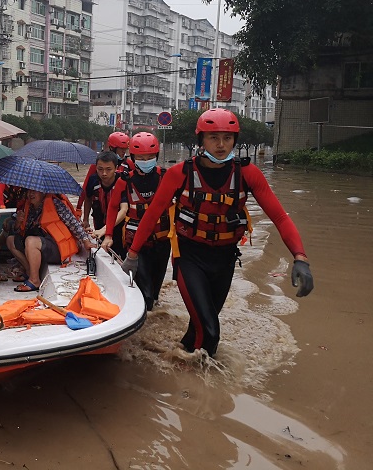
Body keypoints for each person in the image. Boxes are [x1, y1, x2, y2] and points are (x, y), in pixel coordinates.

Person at [121, 109, 314, 356]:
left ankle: (177, 361)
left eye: (227, 138)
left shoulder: (248, 174)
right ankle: (204, 380)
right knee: (210, 332)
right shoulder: (179, 173)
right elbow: (151, 215)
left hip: (225, 260)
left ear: (235, 140)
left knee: (199, 327)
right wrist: (133, 254)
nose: (221, 145)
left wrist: (300, 257)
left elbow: (279, 217)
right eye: (214, 137)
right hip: (189, 258)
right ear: (201, 140)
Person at [105, 132, 172, 311]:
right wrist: (109, 234)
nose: (146, 161)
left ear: (156, 156)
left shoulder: (165, 176)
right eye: (141, 158)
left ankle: (152, 315)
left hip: (162, 242)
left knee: (155, 294)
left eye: (150, 157)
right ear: (133, 158)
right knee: (146, 295)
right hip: (136, 244)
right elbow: (113, 207)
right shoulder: (125, 180)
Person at [7, 189, 100, 292]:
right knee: (11, 240)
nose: (30, 194)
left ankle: (34, 280)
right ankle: (29, 271)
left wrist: (86, 241)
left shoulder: (56, 204)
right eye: (29, 191)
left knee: (31, 241)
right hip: (41, 244)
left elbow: (73, 223)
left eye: (34, 191)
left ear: (43, 192)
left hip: (57, 248)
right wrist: (18, 223)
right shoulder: (30, 207)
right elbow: (21, 232)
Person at [76, 131, 133, 218]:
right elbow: (86, 188)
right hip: (100, 210)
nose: (123, 151)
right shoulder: (98, 164)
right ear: (112, 148)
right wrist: (79, 208)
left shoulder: (129, 164)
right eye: (121, 149)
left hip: (120, 210)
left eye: (125, 149)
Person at [83, 151, 126, 258]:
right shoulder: (93, 180)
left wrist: (106, 229)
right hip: (99, 224)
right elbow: (88, 198)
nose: (104, 173)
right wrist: (85, 220)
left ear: (116, 168)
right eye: (100, 169)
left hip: (120, 227)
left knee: (122, 254)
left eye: (108, 169)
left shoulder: (123, 182)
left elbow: (124, 210)